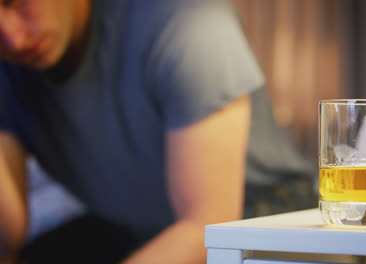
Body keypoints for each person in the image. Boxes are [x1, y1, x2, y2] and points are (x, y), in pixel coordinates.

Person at [0, 0, 316, 263]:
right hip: (142, 231)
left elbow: (207, 229)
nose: (12, 38)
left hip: (265, 226)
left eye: (13, 1)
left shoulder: (182, 17)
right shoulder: (10, 65)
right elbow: (9, 236)